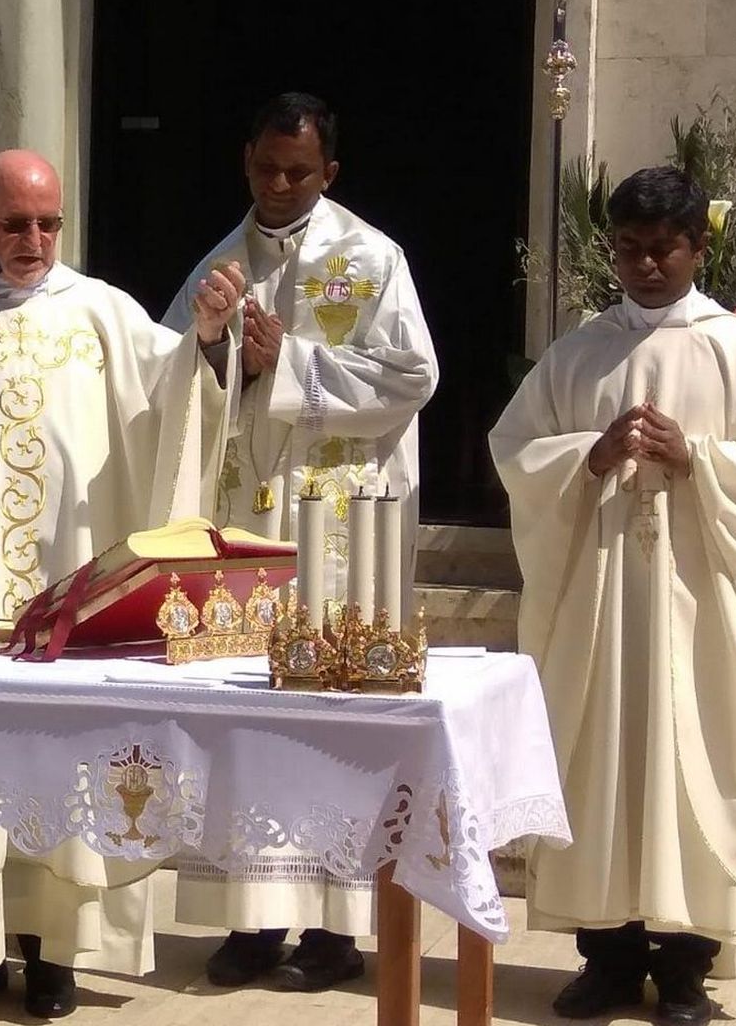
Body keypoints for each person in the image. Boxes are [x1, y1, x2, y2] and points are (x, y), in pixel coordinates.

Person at [0, 148, 244, 1017]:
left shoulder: (106, 312)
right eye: (12, 223)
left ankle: (56, 956)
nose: (31, 240)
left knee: (65, 766)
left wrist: (211, 341)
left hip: (72, 593)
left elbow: (178, 389)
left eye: (47, 223)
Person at [490, 166, 736, 1025]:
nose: (645, 266)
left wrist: (700, 459)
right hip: (601, 614)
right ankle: (605, 959)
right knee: (600, 764)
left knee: (696, 767)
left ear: (698, 247)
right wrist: (588, 459)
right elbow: (516, 452)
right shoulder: (577, 354)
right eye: (630, 249)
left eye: (663, 249)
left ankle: (685, 971)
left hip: (702, 610)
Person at [161, 92, 438, 992]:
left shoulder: (372, 258)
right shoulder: (219, 265)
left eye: (300, 171)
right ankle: (254, 920)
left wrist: (291, 363)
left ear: (330, 173)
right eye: (267, 167)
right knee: (246, 719)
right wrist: (216, 357)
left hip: (338, 525)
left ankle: (336, 930)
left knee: (334, 715)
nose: (280, 185)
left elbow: (413, 377)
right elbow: (163, 382)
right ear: (246, 160)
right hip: (246, 523)